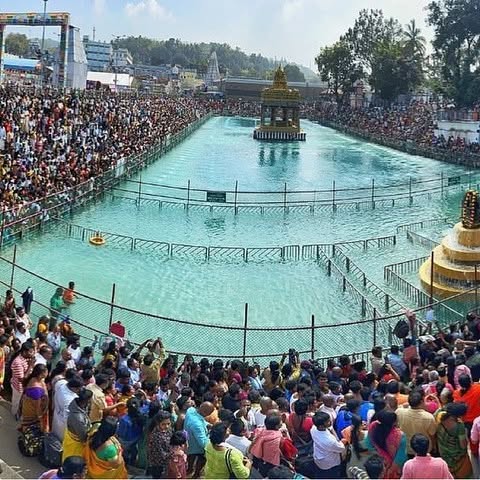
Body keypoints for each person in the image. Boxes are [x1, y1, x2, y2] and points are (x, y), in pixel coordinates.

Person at [435, 403, 473, 479]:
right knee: (462, 471)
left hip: (443, 451)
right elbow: (462, 445)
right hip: (455, 456)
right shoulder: (459, 426)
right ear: (459, 415)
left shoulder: (438, 414)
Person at [366, 410, 407, 479]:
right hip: (392, 469)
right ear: (393, 423)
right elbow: (400, 457)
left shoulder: (373, 426)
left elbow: (368, 445)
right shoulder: (400, 435)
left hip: (376, 465)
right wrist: (390, 470)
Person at [395, 390, 437, 456]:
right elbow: (432, 436)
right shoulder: (428, 417)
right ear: (421, 402)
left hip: (407, 448)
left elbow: (401, 406)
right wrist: (434, 448)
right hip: (425, 449)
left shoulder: (399, 412)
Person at [310, 411, 345, 479]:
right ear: (321, 426)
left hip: (318, 458)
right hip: (330, 464)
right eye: (328, 421)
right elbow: (341, 448)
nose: (330, 422)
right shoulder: (329, 440)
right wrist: (334, 433)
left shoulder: (313, 429)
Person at [184, 401, 214, 478]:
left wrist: (208, 425)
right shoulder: (197, 425)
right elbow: (203, 443)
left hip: (188, 442)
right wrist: (212, 437)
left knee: (190, 458)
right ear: (205, 413)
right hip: (197, 446)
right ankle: (196, 474)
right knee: (203, 457)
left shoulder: (190, 410)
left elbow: (201, 420)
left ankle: (189, 470)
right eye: (209, 413)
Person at [62, 388, 93, 461]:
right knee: (72, 462)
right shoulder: (78, 419)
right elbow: (83, 438)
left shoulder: (78, 405)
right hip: (76, 445)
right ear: (87, 400)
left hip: (72, 436)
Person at [20, 364, 50, 434]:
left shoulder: (34, 379)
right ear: (41, 374)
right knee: (30, 429)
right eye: (46, 371)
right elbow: (37, 407)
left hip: (28, 408)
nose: (47, 372)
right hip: (32, 412)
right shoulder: (36, 389)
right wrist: (40, 418)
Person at [11, 341, 35, 417]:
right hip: (18, 387)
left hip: (24, 386)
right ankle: (14, 415)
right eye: (31, 352)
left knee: (21, 402)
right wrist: (31, 366)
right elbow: (22, 379)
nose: (33, 353)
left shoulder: (26, 358)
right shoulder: (18, 362)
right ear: (24, 352)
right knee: (16, 403)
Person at [146, 410, 172, 478]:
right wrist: (174, 453)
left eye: (168, 424)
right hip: (158, 464)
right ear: (158, 423)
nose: (166, 426)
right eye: (163, 424)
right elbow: (162, 454)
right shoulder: (156, 436)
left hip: (166, 461)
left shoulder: (168, 430)